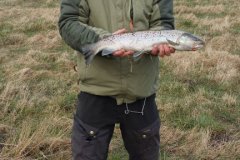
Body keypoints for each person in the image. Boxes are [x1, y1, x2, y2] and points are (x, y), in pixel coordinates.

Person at [58, 0, 175, 159]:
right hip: (95, 90)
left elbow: (163, 24)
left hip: (141, 92)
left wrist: (159, 42)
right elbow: (69, 22)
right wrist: (104, 40)